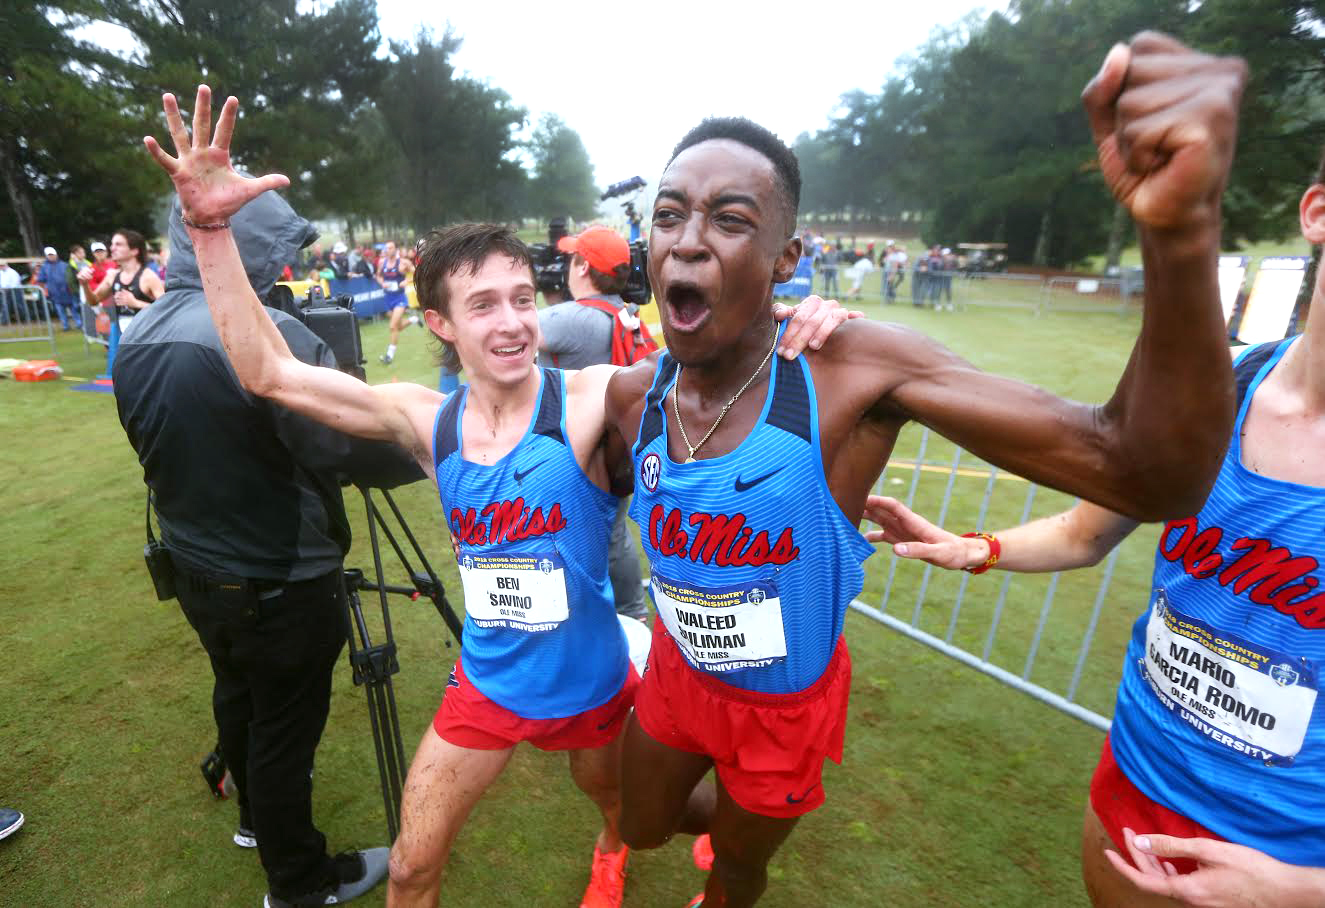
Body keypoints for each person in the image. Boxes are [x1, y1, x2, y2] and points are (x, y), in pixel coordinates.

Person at [139, 85, 848, 908]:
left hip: (592, 681)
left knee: (622, 805)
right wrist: (210, 230)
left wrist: (802, 319)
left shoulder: (588, 399)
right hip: (486, 684)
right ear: (440, 324)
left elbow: (711, 363)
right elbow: (268, 372)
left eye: (522, 299)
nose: (514, 324)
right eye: (483, 306)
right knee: (408, 867)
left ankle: (614, 850)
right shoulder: (422, 420)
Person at [600, 33, 1246, 908]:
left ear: (787, 260)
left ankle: (736, 854)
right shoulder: (634, 392)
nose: (685, 241)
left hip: (783, 705)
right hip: (679, 676)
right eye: (669, 213)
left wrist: (1179, 231)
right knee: (638, 822)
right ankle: (731, 816)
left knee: (744, 869)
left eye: (730, 219)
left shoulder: (850, 371)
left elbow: (1143, 474)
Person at [861, 150, 1325, 908]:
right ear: (1315, 212)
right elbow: (1086, 533)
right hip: (1135, 779)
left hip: (1284, 853)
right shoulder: (1225, 384)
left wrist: (1303, 889)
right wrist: (972, 548)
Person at [113, 183, 420, 906]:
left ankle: (254, 819)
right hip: (282, 575)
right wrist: (419, 440)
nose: (282, 273)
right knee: (285, 730)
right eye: (275, 256)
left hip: (196, 566)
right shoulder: (263, 337)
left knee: (237, 690)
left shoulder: (141, 330)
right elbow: (349, 447)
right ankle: (299, 882)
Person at [539, 225, 653, 622]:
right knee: (614, 533)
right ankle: (632, 611)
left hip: (571, 450)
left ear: (583, 266)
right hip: (619, 448)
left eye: (571, 259)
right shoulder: (628, 314)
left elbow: (507, 335)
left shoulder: (569, 319)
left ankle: (580, 616)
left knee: (562, 535)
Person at [81, 229, 165, 331]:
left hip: (152, 340)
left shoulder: (148, 277)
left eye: (118, 244)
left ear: (134, 250)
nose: (112, 248)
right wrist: (84, 284)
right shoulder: (112, 276)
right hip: (127, 340)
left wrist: (135, 303)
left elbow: (165, 310)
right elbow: (93, 301)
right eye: (112, 244)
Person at [376, 241, 414, 365]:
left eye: (390, 248)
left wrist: (407, 281)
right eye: (386, 248)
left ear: (395, 249)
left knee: (392, 326)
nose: (388, 250)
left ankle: (389, 356)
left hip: (399, 299)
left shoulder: (403, 263)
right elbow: (378, 276)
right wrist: (382, 283)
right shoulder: (382, 262)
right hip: (388, 298)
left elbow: (417, 273)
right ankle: (413, 319)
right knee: (398, 327)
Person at [36, 245, 80, 331]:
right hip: (55, 293)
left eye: (52, 254)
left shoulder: (64, 265)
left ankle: (79, 323)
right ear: (47, 256)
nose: (51, 256)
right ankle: (65, 326)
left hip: (68, 292)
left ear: (56, 255)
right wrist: (45, 291)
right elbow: (41, 280)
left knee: (74, 309)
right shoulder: (44, 267)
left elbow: (71, 278)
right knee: (61, 311)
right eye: (49, 255)